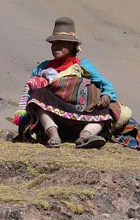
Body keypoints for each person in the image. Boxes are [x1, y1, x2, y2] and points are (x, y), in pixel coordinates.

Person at [12, 16, 119, 149]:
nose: (56, 46)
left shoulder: (83, 65)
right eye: (54, 43)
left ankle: (85, 136)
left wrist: (107, 95)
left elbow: (105, 84)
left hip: (81, 114)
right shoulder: (42, 68)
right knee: (38, 96)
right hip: (53, 117)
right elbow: (30, 93)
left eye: (62, 43)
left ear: (73, 46)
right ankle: (53, 135)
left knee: (109, 109)